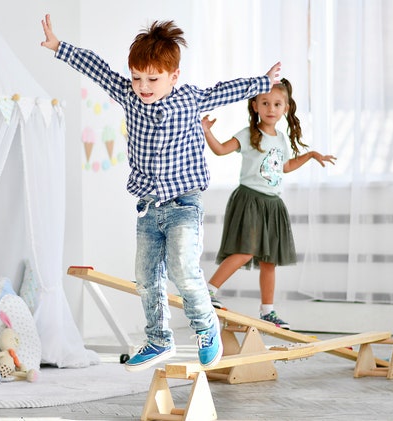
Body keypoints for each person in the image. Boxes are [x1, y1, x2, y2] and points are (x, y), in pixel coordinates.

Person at [41, 15, 282, 371]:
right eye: (137, 77)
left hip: (184, 204)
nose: (143, 86)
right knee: (146, 277)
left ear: (173, 76)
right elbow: (98, 69)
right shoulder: (129, 96)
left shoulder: (189, 100)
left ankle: (206, 327)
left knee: (183, 270)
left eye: (152, 79)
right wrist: (60, 47)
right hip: (148, 208)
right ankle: (158, 339)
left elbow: (225, 91)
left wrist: (262, 82)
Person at [201, 79, 336, 329]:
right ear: (255, 106)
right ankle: (207, 291)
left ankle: (267, 311)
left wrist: (309, 155)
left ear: (286, 108)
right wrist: (207, 131)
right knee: (245, 251)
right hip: (250, 200)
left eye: (276, 104)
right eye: (265, 103)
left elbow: (285, 167)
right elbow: (220, 150)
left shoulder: (281, 139)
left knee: (269, 261)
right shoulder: (248, 134)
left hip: (273, 204)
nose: (270, 108)